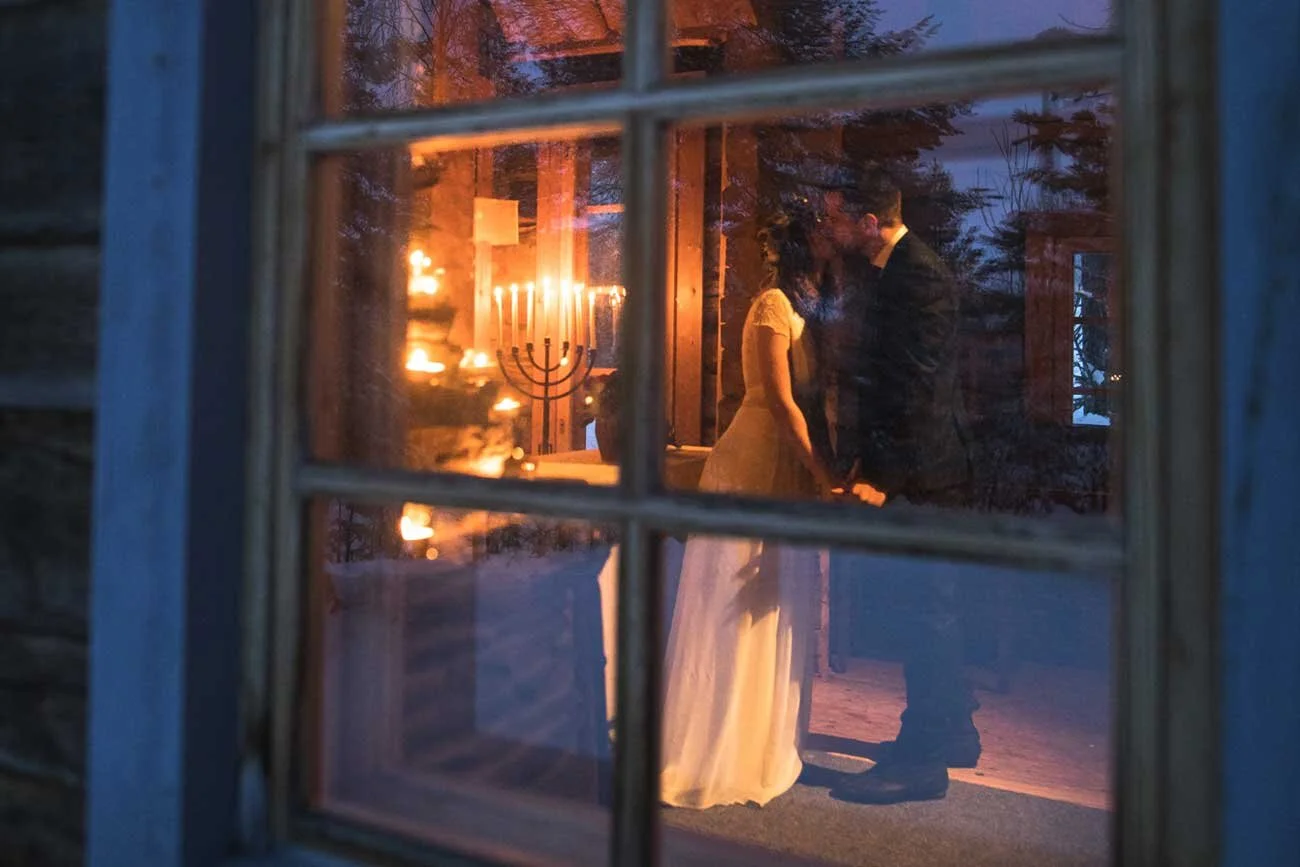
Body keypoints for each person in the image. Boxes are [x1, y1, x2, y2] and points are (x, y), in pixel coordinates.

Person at [659, 210, 835, 809]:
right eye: (818, 239)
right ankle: (720, 747)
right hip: (758, 456)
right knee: (736, 606)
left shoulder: (804, 308)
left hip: (784, 459)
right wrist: (823, 474)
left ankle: (764, 740)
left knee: (773, 601)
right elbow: (781, 403)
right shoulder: (771, 305)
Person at [817, 171, 981, 805]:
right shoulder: (897, 269)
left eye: (837, 219)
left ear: (867, 223)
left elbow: (913, 383)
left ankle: (921, 762)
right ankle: (956, 733)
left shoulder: (917, 272)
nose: (830, 229)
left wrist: (882, 477)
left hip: (927, 472)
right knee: (935, 607)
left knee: (926, 613)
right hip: (928, 465)